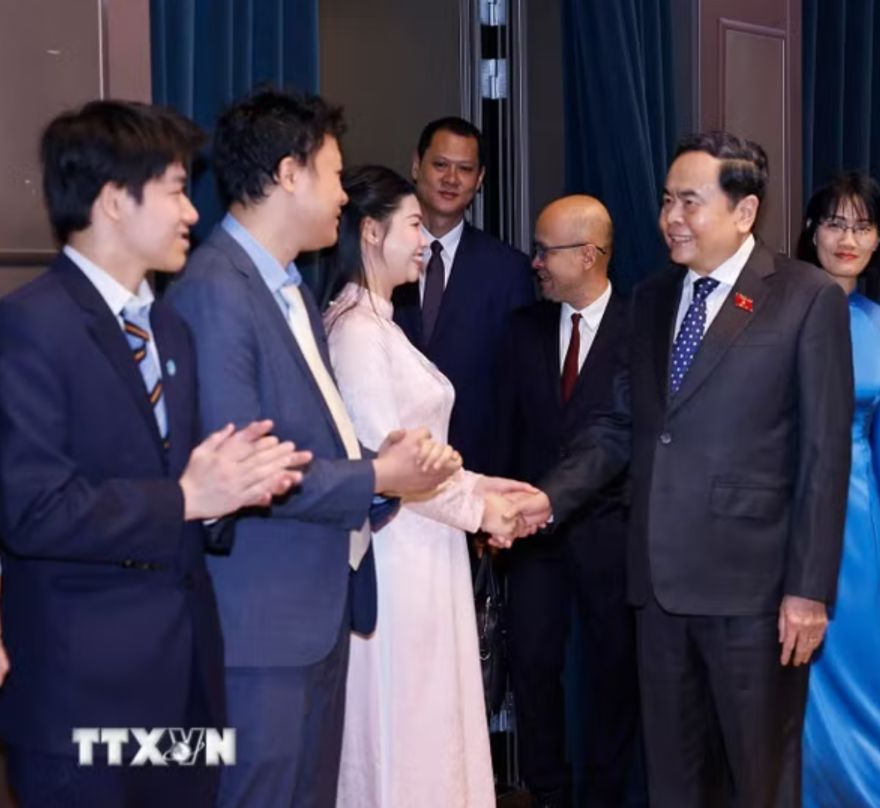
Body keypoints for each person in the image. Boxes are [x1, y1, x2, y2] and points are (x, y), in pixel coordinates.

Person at [502, 131, 854, 806]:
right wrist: (545, 500)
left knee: (758, 780)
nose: (670, 218)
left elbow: (823, 454)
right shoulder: (655, 297)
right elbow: (618, 425)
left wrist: (808, 590)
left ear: (744, 211)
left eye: (689, 202)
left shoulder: (805, 298)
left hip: (755, 593)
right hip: (658, 588)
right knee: (675, 781)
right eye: (667, 201)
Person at [0, 100, 310, 807]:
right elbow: (33, 509)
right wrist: (188, 499)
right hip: (81, 698)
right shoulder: (28, 328)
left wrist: (233, 491)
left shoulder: (169, 330)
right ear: (114, 200)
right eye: (175, 188)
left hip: (186, 688)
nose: (192, 213)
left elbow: (185, 492)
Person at [167, 90, 461, 808]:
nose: (342, 196)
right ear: (289, 173)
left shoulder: (286, 287)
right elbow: (245, 473)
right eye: (334, 176)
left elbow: (307, 436)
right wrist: (376, 474)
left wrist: (379, 463)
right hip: (258, 629)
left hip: (310, 617)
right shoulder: (218, 292)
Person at [321, 164, 533, 808]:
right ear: (369, 232)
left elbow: (428, 457)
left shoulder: (380, 325)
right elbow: (393, 465)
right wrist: (481, 510)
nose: (424, 240)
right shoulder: (357, 333)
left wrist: (496, 488)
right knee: (404, 729)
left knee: (430, 726)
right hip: (396, 558)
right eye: (412, 224)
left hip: (424, 552)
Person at [493, 195, 638, 808]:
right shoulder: (521, 330)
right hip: (532, 538)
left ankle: (604, 796)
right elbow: (503, 429)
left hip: (614, 534)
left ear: (590, 255)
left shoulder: (643, 328)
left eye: (547, 249)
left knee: (612, 675)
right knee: (532, 667)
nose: (536, 262)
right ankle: (547, 791)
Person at [794, 172, 880, 806]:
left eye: (862, 226)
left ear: (879, 240)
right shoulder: (778, 307)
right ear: (811, 230)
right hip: (786, 512)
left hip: (861, 520)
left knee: (862, 670)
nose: (848, 237)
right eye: (835, 223)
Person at [391, 116, 535, 471]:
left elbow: (516, 389)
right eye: (440, 165)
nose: (451, 179)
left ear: (480, 179)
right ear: (416, 165)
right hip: (389, 462)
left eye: (465, 169)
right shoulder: (380, 254)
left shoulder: (509, 270)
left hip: (474, 466)